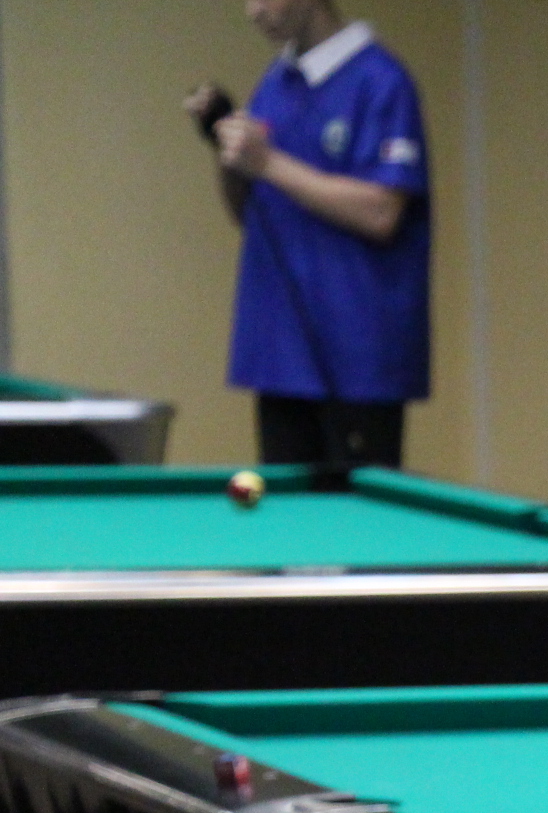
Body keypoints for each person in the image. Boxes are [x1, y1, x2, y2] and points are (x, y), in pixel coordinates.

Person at [183, 0, 430, 468]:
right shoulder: (275, 84)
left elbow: (382, 212)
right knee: (287, 513)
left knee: (356, 513)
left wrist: (267, 162)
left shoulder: (381, 82)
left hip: (355, 363)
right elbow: (252, 214)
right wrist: (227, 150)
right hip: (281, 358)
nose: (252, 11)